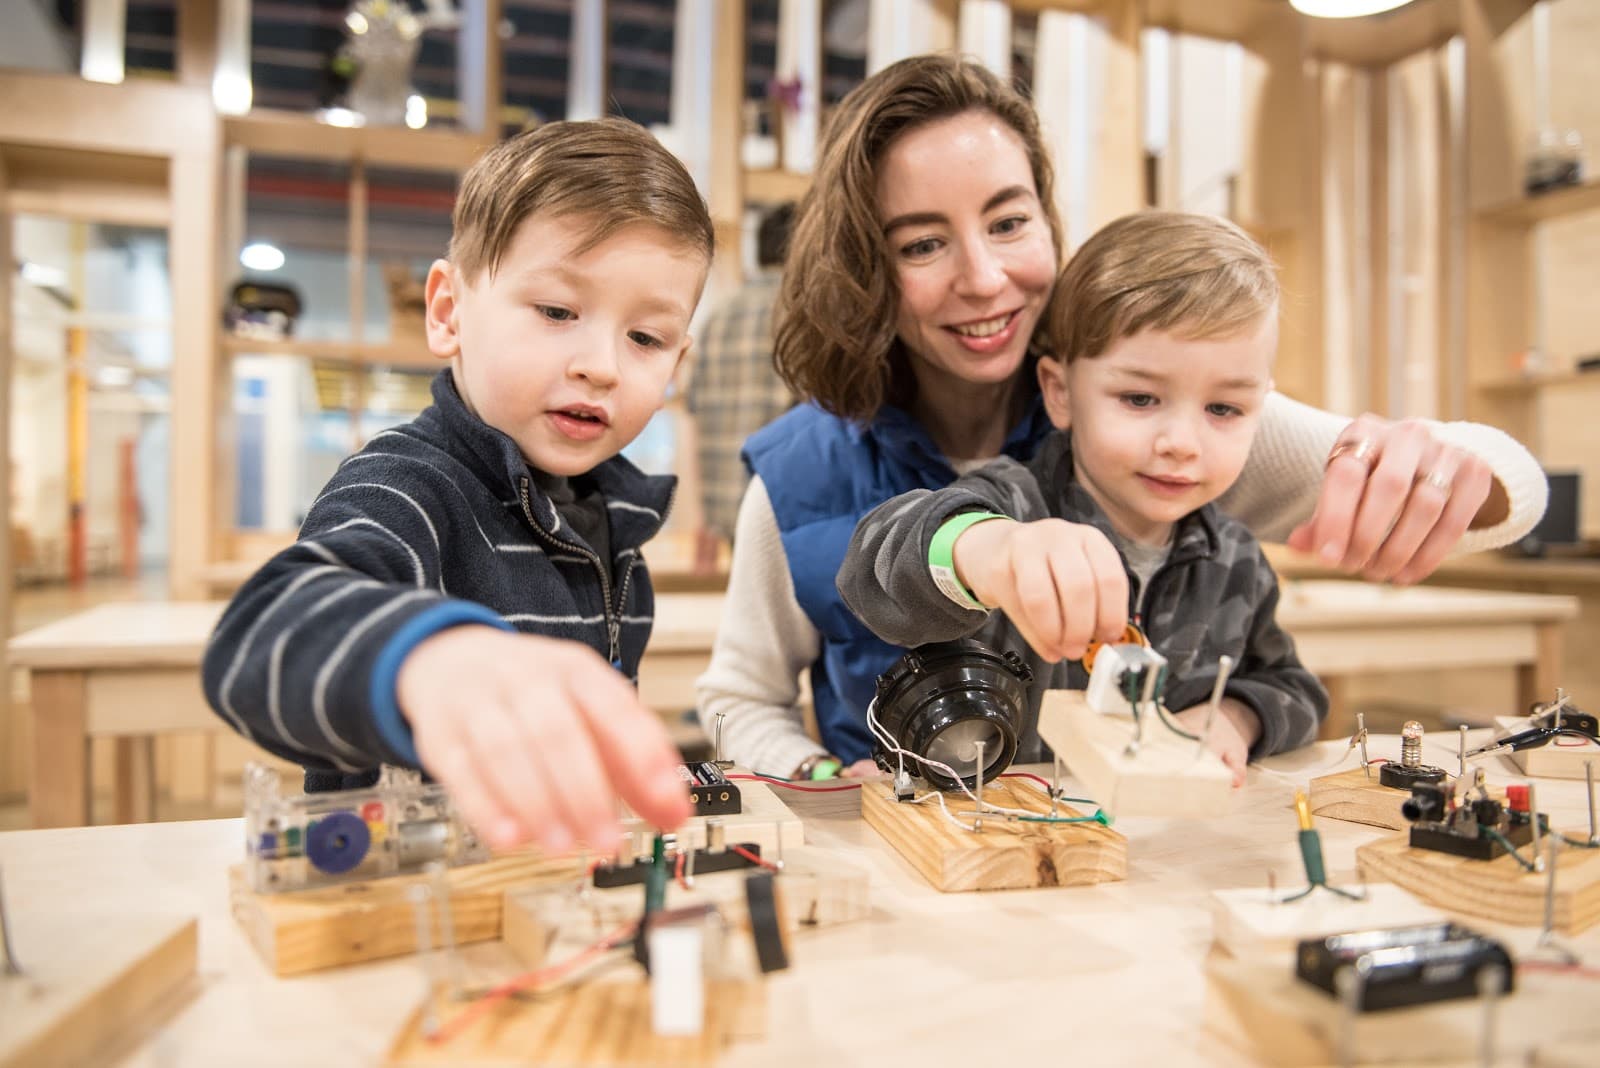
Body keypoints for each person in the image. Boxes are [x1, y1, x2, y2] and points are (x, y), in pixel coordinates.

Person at [695, 54, 1546, 782]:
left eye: (1009, 221)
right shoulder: (801, 472)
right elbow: (742, 697)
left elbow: (1498, 497)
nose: (985, 276)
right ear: (863, 269)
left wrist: (1451, 456)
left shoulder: (1136, 414)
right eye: (922, 243)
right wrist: (815, 776)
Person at [202, 118, 710, 854]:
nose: (601, 364)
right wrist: (427, 656)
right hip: (406, 901)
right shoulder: (407, 483)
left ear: (677, 362)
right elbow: (260, 637)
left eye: (645, 338)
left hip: (538, 888)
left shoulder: (610, 516)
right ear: (448, 312)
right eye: (558, 312)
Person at [839, 211, 1327, 783]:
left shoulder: (1236, 559)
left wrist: (1234, 718)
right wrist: (990, 549)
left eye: (1224, 409)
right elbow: (873, 567)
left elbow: (1292, 688)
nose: (1181, 444)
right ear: (1061, 393)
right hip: (995, 839)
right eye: (1140, 399)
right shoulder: (1012, 505)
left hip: (1159, 852)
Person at [686, 202, 798, 549]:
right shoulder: (805, 312)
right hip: (786, 506)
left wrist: (701, 522)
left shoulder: (718, 316)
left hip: (726, 509)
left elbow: (694, 412)